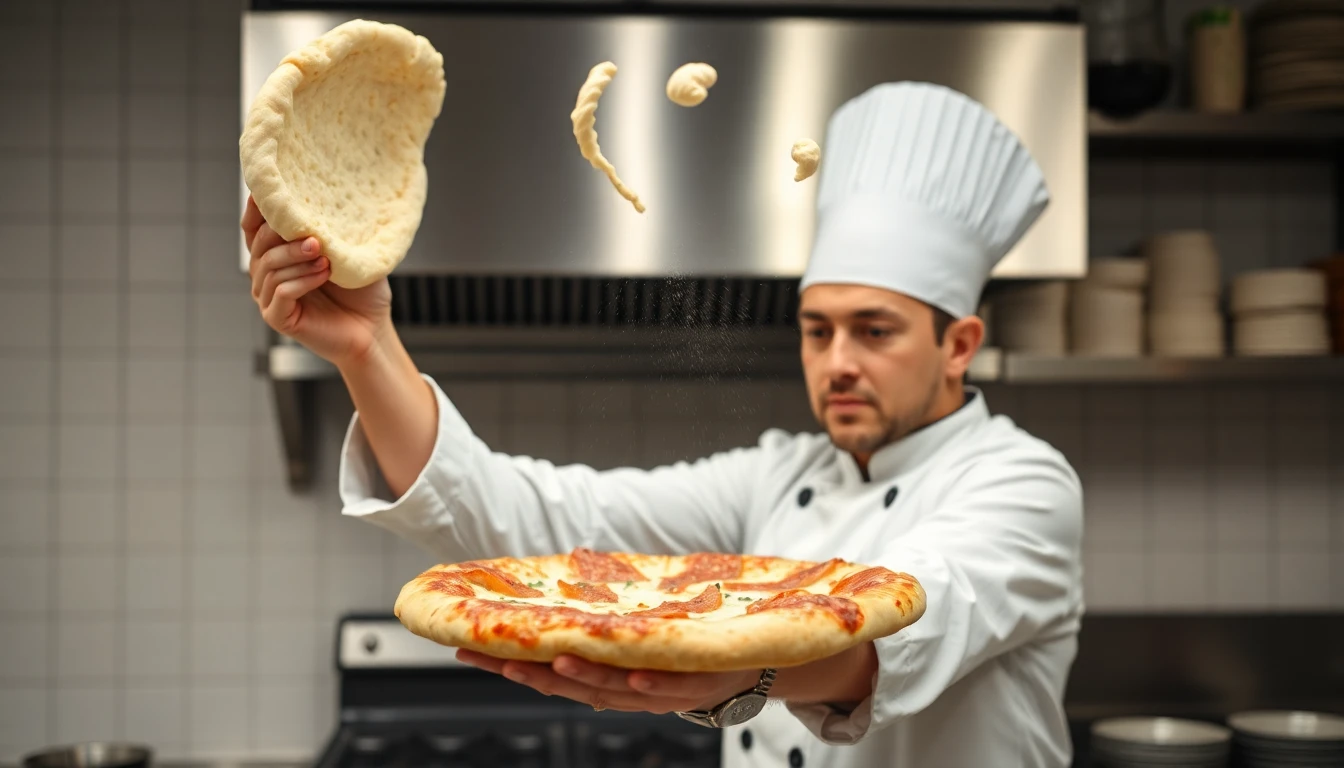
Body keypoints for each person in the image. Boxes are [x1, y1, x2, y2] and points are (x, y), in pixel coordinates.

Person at [243, 81, 1084, 768]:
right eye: (816, 329)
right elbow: (543, 520)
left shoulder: (1023, 481)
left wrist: (735, 670)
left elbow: (900, 632)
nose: (837, 364)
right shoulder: (779, 476)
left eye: (875, 330)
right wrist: (366, 346)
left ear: (958, 346)